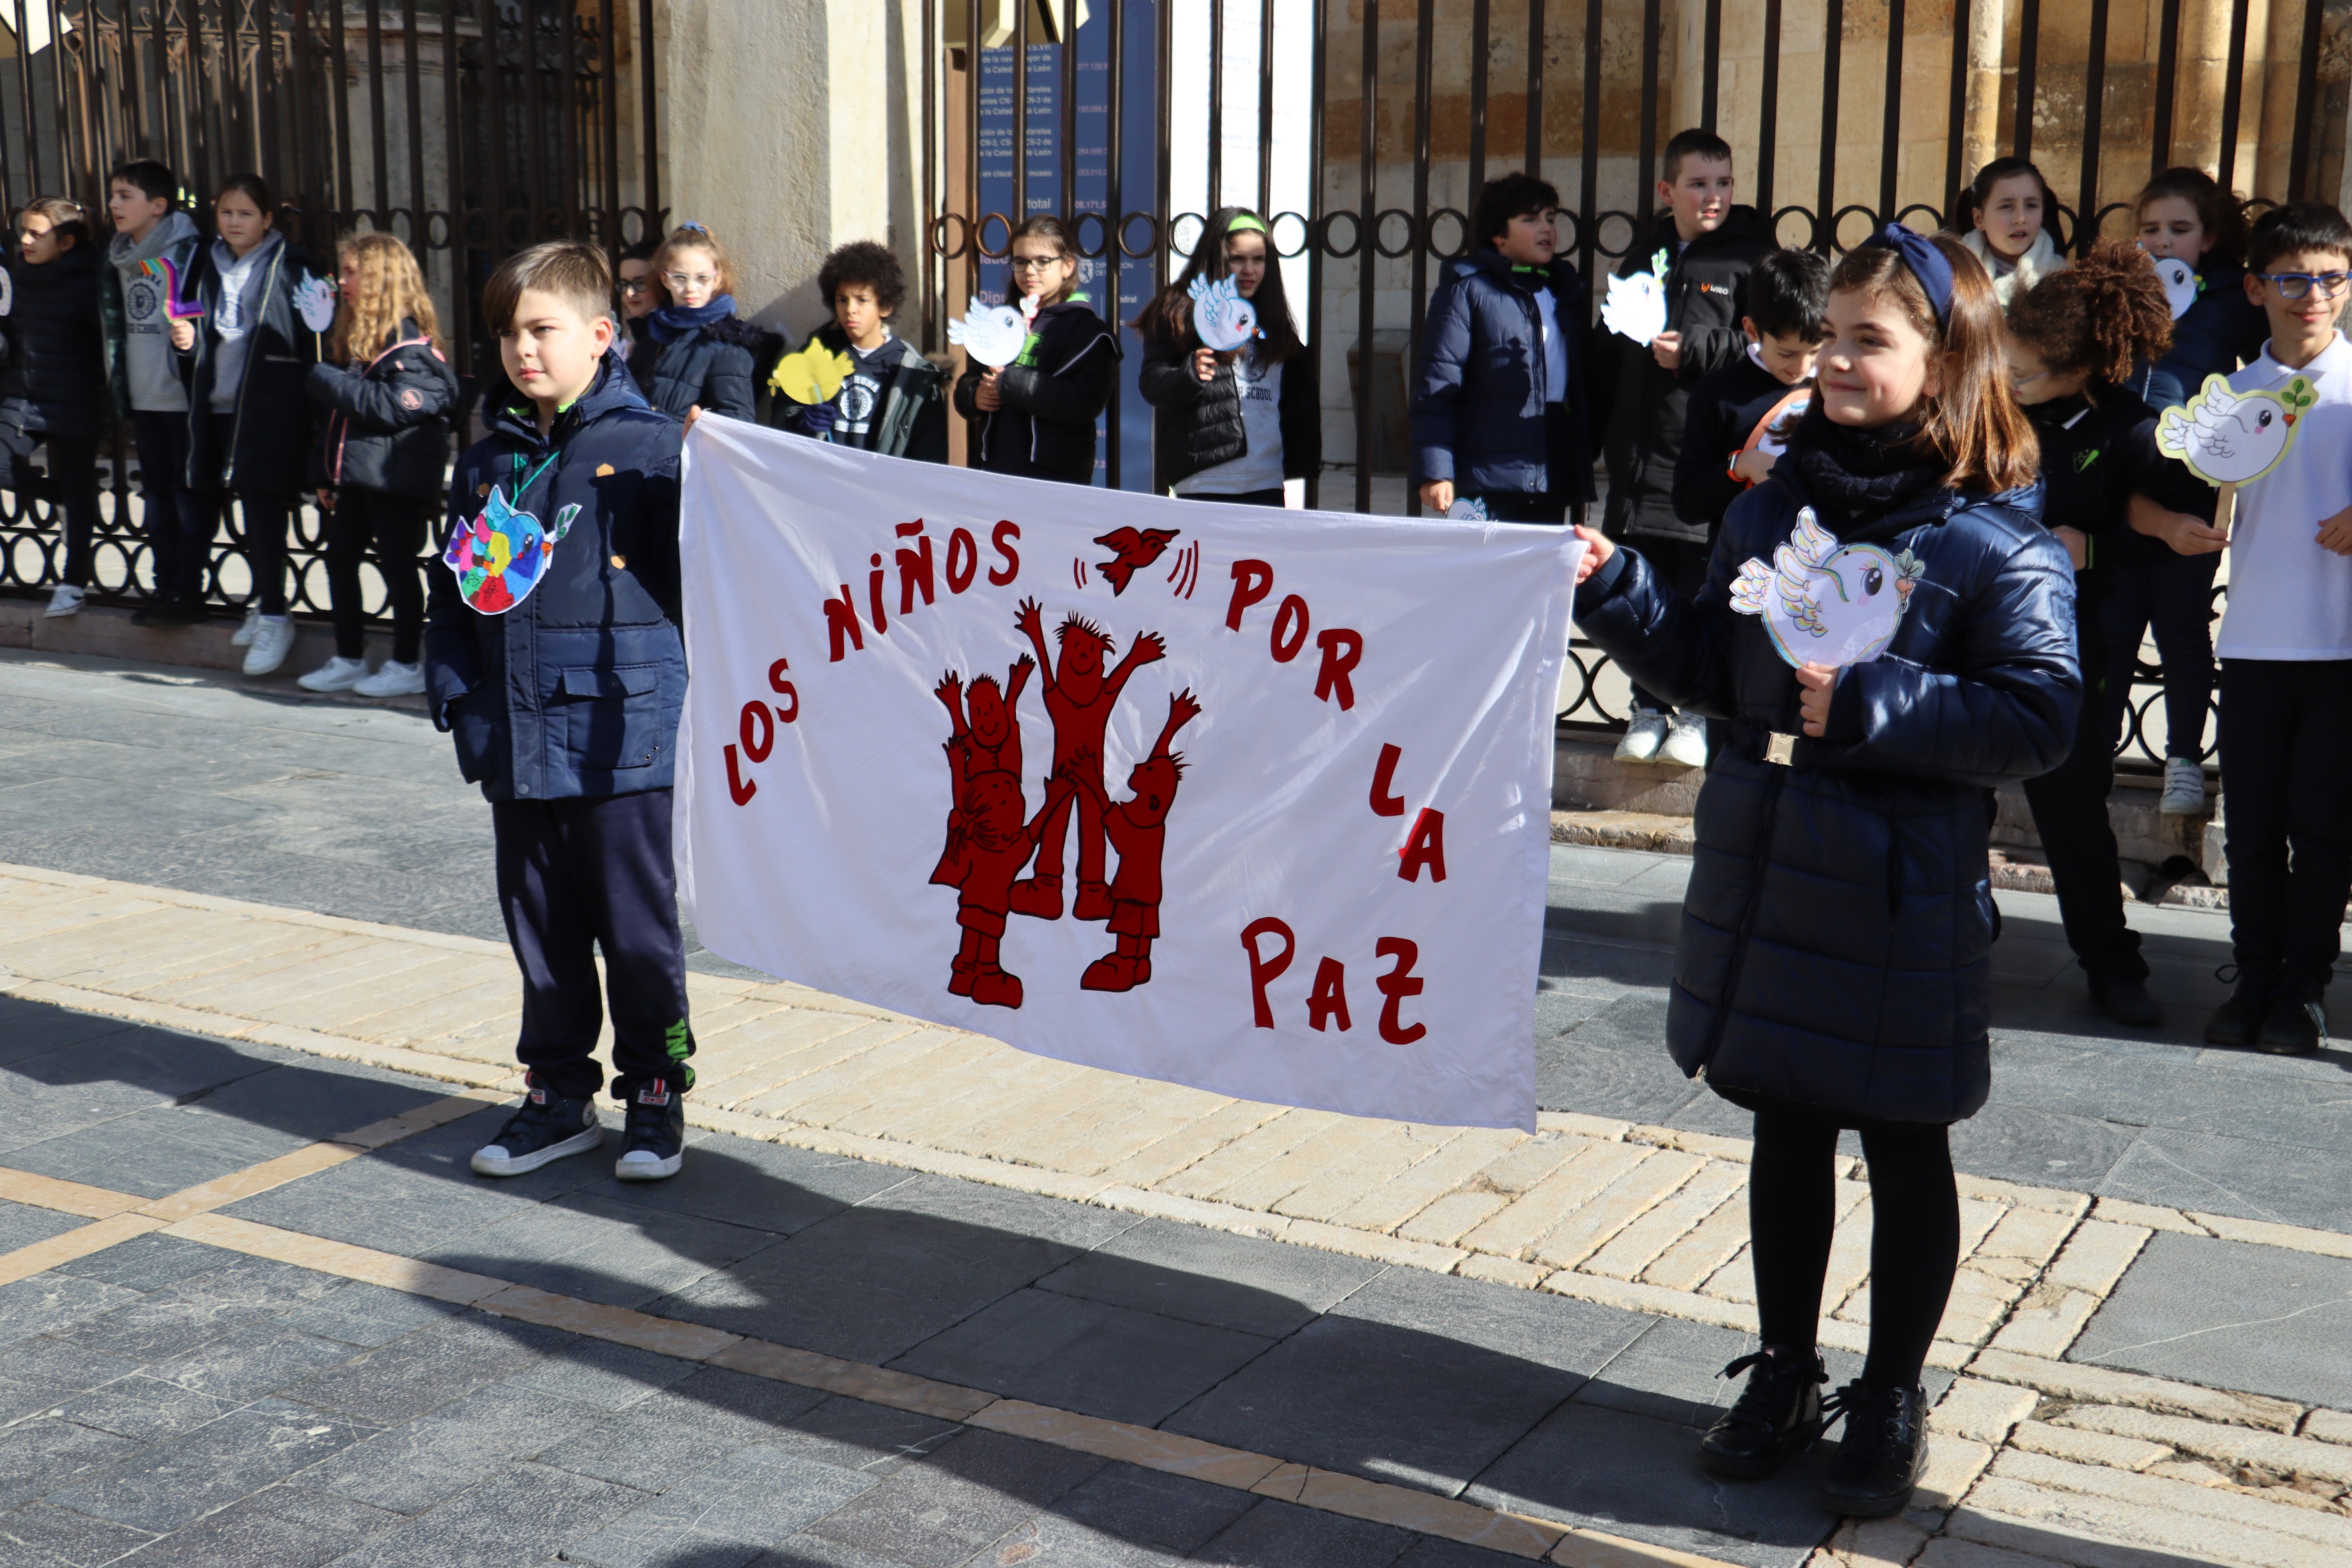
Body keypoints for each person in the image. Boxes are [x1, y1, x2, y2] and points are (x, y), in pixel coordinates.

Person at [1572, 227, 2074, 1517]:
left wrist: (1868, 707)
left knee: (1905, 1147)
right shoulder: (1768, 503)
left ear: (1946, 357)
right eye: (1832, 336)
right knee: (1786, 1129)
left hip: (1900, 892)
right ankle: (1785, 1372)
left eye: (1872, 341)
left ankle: (1892, 1388)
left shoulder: (1988, 536)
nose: (1838, 362)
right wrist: (1618, 587)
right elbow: (1713, 673)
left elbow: (2040, 718)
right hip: (1772, 873)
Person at [425, 240, 697, 1181]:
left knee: (635, 927)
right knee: (540, 924)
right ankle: (556, 1093)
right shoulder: (487, 462)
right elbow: (454, 597)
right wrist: (463, 702)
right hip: (519, 735)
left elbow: (722, 583)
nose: (522, 350)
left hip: (625, 739)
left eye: (541, 329)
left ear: (600, 334)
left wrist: (718, 468)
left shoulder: (657, 452)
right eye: (507, 332)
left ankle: (656, 1093)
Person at [2006, 243, 2214, 1028]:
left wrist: (2089, 547)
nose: (2012, 383)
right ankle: (1954, 927)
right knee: (1949, 788)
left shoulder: (2134, 431)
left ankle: (2112, 964)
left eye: (2027, 373)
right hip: (1981, 635)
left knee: (2072, 806)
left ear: (2084, 368)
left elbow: (2168, 534)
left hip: (2078, 641)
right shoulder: (1994, 411)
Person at [2170, 203, 2352, 1054]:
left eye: (2329, 278)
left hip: (2341, 650)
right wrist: (2185, 527)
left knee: (2323, 830)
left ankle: (2302, 989)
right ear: (2257, 288)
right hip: (2250, 645)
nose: (2311, 295)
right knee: (2251, 828)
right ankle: (2251, 976)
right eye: (2292, 279)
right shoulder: (2230, 399)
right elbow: (2177, 497)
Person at [1594, 129, 1773, 768]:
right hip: (1641, 466)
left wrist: (1696, 352)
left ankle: (1694, 716)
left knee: (1703, 594)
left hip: (1707, 463)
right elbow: (1608, 357)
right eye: (1699, 184)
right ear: (1668, 191)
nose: (1713, 197)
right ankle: (1646, 707)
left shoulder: (1751, 260)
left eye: (1723, 183)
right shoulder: (1643, 257)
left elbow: (1776, 349)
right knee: (1646, 593)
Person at [2115, 169, 2266, 815]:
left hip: (2191, 477)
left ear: (2208, 238)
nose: (2164, 241)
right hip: (2118, 479)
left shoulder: (2232, 296)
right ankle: (2092, 749)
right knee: (2114, 619)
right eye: (2151, 230)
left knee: (2180, 624)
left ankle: (2182, 758)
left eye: (2180, 229)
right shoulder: (2121, 292)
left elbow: (2264, 370)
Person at [175, 174, 328, 677]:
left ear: (267, 219)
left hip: (270, 409)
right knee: (235, 505)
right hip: (214, 408)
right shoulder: (201, 262)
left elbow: (314, 347)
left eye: (245, 214)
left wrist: (314, 422)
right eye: (226, 213)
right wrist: (186, 340)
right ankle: (263, 600)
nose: (234, 222)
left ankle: (276, 615)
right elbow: (197, 327)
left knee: (264, 509)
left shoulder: (298, 267)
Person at [299, 232, 461, 698]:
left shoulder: (409, 344)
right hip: (356, 478)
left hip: (393, 479)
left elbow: (391, 407)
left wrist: (324, 380)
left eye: (352, 272)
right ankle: (349, 656)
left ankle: (407, 661)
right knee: (339, 560)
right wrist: (325, 475)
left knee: (398, 567)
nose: (342, 281)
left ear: (379, 279)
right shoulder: (358, 343)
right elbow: (339, 419)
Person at [1410, 172, 1591, 530]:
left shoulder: (1565, 290)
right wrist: (1436, 471)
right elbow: (1437, 385)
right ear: (1498, 235)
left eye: (1550, 219)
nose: (1546, 229)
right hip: (1486, 478)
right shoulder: (1468, 289)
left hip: (1550, 472)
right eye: (1530, 220)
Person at [1138, 207, 1321, 505]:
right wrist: (1190, 375)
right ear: (1217, 258)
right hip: (1204, 479)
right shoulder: (1180, 310)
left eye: (1258, 259)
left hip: (1266, 481)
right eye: (1238, 259)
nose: (1250, 270)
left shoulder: (1274, 320)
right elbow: (1153, 383)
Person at [98, 158, 206, 626]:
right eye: (114, 194)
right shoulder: (118, 256)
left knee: (187, 499)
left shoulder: (189, 252)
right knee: (157, 498)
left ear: (159, 206)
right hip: (142, 397)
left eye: (127, 196)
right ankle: (165, 588)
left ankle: (189, 592)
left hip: (181, 400)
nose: (115, 204)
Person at [953, 214, 1118, 485]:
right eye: (1021, 261)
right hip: (996, 472)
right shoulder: (1003, 318)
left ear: (1068, 266)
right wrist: (974, 394)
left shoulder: (1090, 332)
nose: (1030, 270)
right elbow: (973, 376)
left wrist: (1011, 383)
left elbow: (1085, 402)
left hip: (1055, 478)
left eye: (1043, 261)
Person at [0, 199, 106, 621]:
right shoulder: (16, 279)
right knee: (4, 468)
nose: (24, 241)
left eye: (35, 233)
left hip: (75, 400)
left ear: (65, 242)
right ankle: (60, 498)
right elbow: (8, 335)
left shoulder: (89, 282)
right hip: (23, 397)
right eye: (23, 231)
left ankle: (73, 583)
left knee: (80, 491)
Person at [768, 239, 948, 462]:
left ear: (886, 306)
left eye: (862, 300)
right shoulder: (814, 356)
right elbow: (779, 421)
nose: (850, 310)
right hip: (824, 487)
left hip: (882, 492)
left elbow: (930, 459)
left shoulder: (914, 374)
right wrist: (800, 422)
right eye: (842, 300)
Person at [632, 223, 759, 422]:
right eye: (680, 278)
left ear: (716, 280)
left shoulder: (726, 345)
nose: (691, 288)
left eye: (702, 279)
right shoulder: (652, 333)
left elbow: (737, 422)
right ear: (665, 280)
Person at [1957, 157, 2068, 310]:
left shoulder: (2062, 283)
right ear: (1979, 219)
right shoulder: (1952, 277)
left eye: (2031, 205)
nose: (2020, 218)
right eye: (2006, 206)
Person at [614, 238, 658, 372]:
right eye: (624, 284)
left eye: (640, 283)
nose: (630, 293)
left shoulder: (662, 338)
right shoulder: (644, 333)